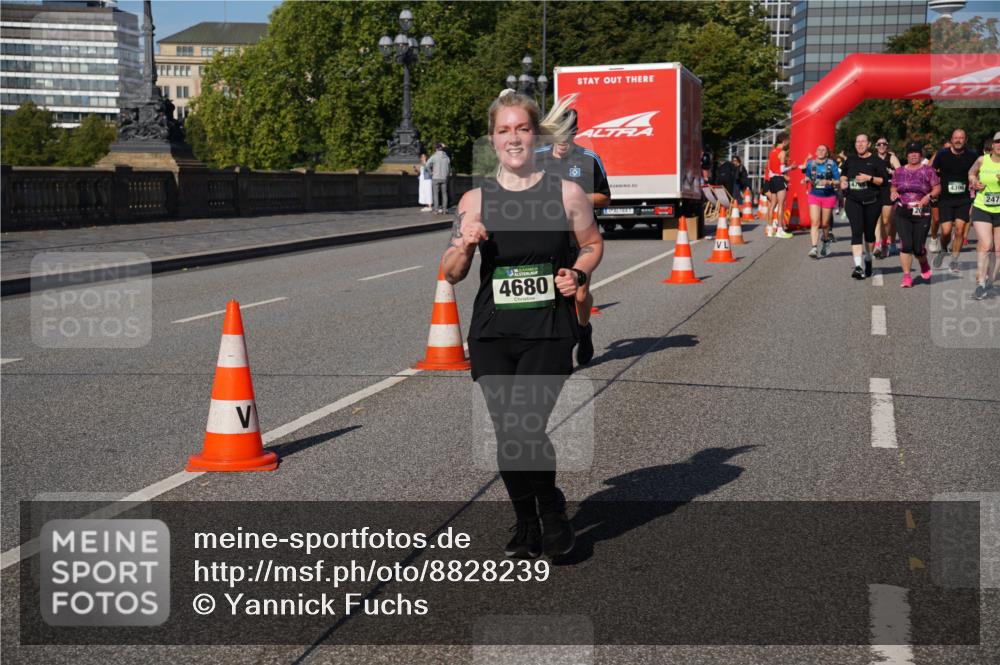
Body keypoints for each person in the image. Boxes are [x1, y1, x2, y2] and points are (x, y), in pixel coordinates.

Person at [441, 91, 603, 558]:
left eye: (522, 129)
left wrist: (579, 273)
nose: (514, 138)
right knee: (506, 431)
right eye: (504, 130)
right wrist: (467, 245)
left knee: (525, 426)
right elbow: (451, 272)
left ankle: (551, 514)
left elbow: (592, 244)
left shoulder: (565, 194)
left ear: (536, 135)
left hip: (549, 328)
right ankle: (525, 520)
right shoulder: (475, 200)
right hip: (493, 331)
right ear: (492, 139)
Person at [535, 106, 611, 367]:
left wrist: (574, 199)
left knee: (579, 294)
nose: (563, 141)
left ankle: (583, 327)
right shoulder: (538, 158)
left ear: (576, 133)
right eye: (558, 134)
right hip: (548, 235)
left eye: (569, 134)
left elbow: (605, 197)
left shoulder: (588, 159)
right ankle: (558, 346)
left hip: (582, 237)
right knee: (551, 293)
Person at [840, 134, 890, 280]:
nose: (860, 144)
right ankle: (858, 267)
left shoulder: (876, 160)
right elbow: (843, 175)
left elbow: (884, 181)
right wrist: (843, 182)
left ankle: (868, 259)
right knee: (856, 232)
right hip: (853, 201)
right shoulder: (850, 159)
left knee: (869, 234)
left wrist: (869, 178)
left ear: (868, 144)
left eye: (863, 141)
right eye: (857, 141)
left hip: (872, 202)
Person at [890, 141, 940, 288]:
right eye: (910, 153)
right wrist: (893, 193)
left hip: (921, 211)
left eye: (916, 152)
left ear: (920, 154)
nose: (913, 155)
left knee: (918, 248)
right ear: (907, 155)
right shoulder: (899, 172)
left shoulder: (928, 170)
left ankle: (923, 263)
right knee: (906, 245)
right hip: (902, 211)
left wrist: (927, 197)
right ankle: (907, 277)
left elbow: (937, 188)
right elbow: (893, 186)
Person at [931, 129, 979, 275]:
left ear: (966, 140)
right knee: (945, 231)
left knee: (959, 231)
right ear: (951, 139)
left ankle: (954, 260)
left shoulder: (972, 155)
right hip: (945, 199)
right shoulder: (942, 154)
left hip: (963, 199)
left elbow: (978, 171)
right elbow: (931, 172)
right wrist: (933, 189)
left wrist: (976, 181)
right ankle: (944, 249)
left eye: (961, 138)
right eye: (956, 138)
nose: (958, 140)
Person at [968, 131, 1000, 300]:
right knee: (987, 244)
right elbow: (971, 173)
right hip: (982, 208)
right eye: (998, 142)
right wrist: (974, 181)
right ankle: (980, 284)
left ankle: (990, 282)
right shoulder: (982, 160)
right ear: (993, 145)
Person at [798, 144, 839, 258]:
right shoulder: (811, 164)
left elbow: (837, 181)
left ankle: (826, 242)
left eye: (823, 150)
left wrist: (829, 182)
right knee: (815, 222)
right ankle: (814, 248)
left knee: (825, 224)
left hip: (828, 196)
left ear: (826, 153)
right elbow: (808, 176)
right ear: (816, 152)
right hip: (814, 195)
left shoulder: (832, 164)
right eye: (819, 150)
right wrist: (805, 180)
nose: (821, 152)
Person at [872, 137, 901, 259]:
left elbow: (900, 172)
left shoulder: (891, 157)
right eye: (879, 144)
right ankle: (878, 245)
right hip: (875, 191)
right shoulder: (872, 158)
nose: (882, 146)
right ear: (876, 146)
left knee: (886, 220)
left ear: (887, 146)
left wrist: (893, 172)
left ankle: (885, 242)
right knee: (877, 219)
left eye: (884, 144)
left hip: (889, 190)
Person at [765, 132, 794, 238]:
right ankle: (780, 230)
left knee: (772, 205)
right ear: (784, 140)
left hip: (772, 179)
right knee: (781, 205)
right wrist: (791, 167)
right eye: (788, 140)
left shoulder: (772, 151)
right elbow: (782, 169)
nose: (789, 142)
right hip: (779, 178)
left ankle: (769, 228)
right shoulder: (782, 152)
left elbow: (769, 167)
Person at [426, 142, 451, 214]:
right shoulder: (447, 157)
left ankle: (436, 210)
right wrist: (447, 175)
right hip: (444, 177)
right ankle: (444, 210)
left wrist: (431, 172)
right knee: (444, 194)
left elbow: (427, 165)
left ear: (436, 149)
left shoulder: (434, 156)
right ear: (442, 149)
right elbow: (449, 168)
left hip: (436, 177)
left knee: (435, 194)